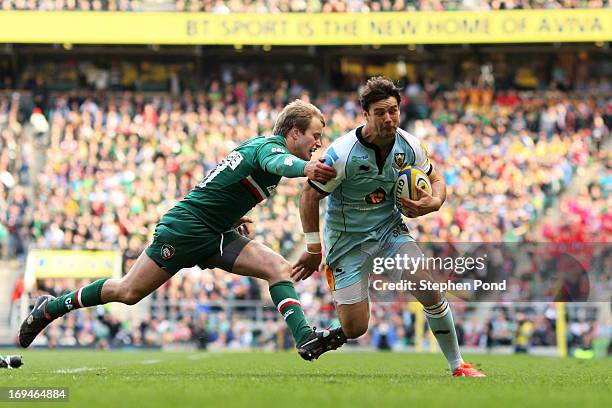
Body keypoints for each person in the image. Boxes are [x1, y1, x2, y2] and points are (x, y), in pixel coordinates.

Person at [19, 99, 346, 360]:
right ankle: (51, 307)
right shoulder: (269, 148)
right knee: (127, 292)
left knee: (278, 268)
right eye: (315, 135)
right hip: (186, 229)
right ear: (293, 133)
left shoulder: (262, 148)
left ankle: (304, 338)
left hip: (216, 231)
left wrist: (232, 217)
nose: (318, 143)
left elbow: (220, 186)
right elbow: (279, 164)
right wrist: (306, 168)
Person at [293, 77, 486, 376]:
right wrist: (313, 248)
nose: (388, 118)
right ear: (365, 115)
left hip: (389, 231)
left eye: (393, 110)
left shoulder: (409, 145)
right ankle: (332, 335)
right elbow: (309, 195)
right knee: (356, 327)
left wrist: (433, 203)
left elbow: (436, 179)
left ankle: (457, 364)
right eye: (380, 112)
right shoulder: (342, 153)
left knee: (427, 286)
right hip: (347, 242)